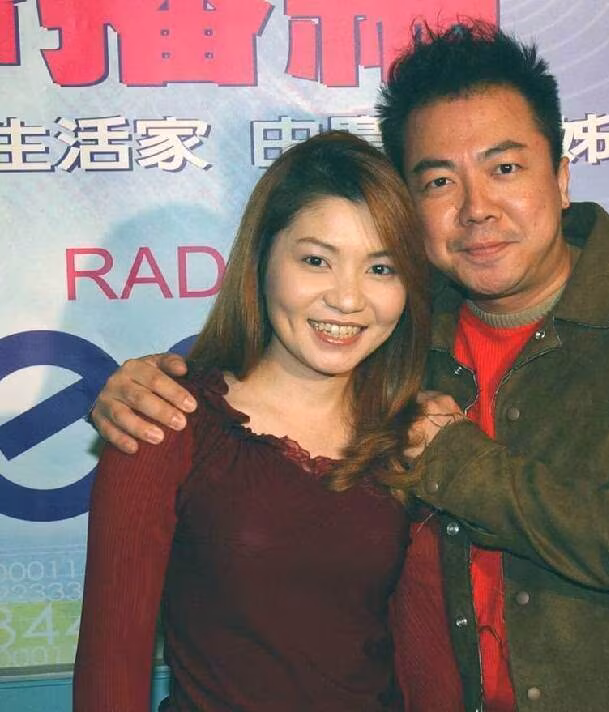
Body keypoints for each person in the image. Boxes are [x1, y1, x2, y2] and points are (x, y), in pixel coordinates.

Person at [88, 22, 609, 712]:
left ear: (561, 175)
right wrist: (146, 384)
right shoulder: (402, 328)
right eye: (439, 181)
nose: (477, 209)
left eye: (505, 169)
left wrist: (455, 462)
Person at [73, 130, 464, 711]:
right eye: (316, 261)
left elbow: (428, 669)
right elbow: (111, 675)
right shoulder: (164, 419)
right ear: (261, 260)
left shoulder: (412, 438)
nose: (348, 299)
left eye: (381, 268)